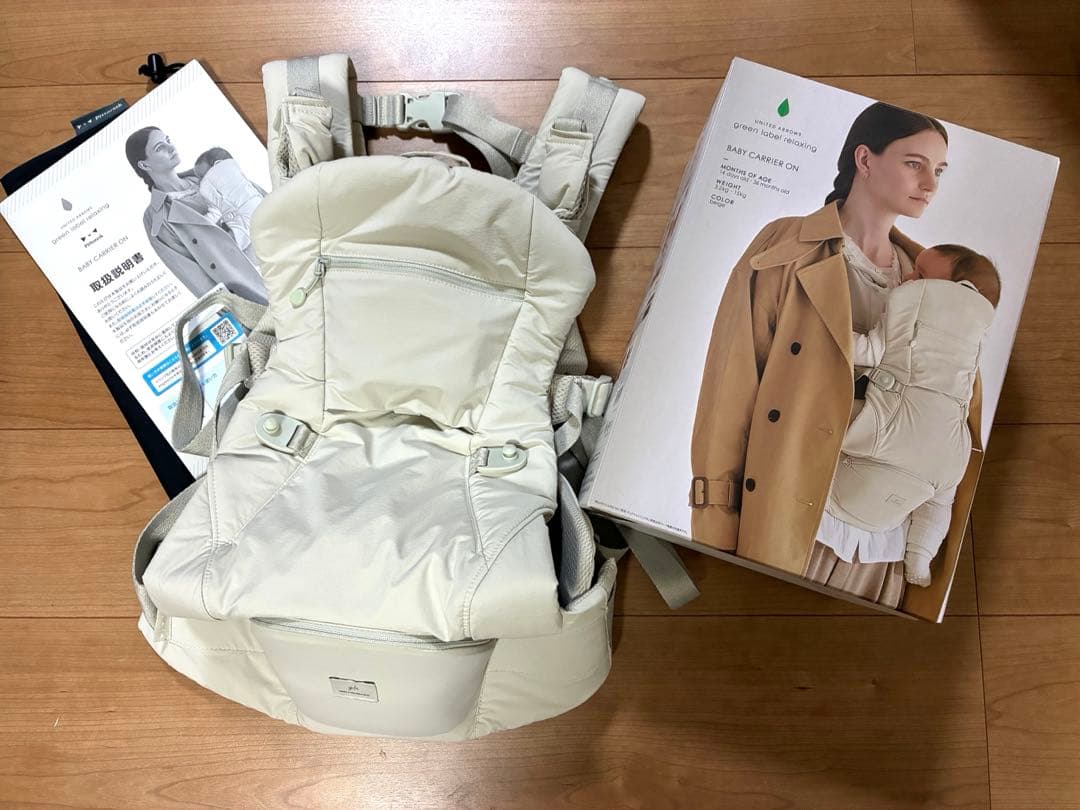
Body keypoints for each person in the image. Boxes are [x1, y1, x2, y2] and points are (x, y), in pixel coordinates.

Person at [689, 102, 983, 609]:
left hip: (884, 554)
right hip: (794, 527)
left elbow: (955, 409)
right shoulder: (787, 245)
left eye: (939, 170)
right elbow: (730, 387)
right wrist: (716, 527)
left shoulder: (934, 279)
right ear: (864, 160)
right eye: (915, 163)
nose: (930, 184)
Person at [824, 246, 1000, 589]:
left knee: (829, 419)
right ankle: (920, 557)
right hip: (948, 451)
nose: (907, 277)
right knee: (940, 500)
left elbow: (867, 350)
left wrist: (825, 327)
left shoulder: (914, 315)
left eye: (920, 275)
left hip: (889, 429)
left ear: (953, 293)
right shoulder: (971, 343)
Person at [125, 127, 268, 304]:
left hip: (282, 253)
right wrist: (241, 310)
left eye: (168, 140)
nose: (171, 147)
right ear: (145, 165)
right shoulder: (156, 219)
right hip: (255, 289)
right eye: (160, 147)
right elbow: (195, 277)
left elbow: (257, 198)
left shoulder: (208, 171)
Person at [193, 147, 266, 265]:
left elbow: (214, 213)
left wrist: (200, 225)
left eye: (203, 176)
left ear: (218, 167)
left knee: (228, 245)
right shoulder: (244, 182)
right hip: (259, 213)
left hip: (245, 221)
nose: (200, 182)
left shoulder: (214, 189)